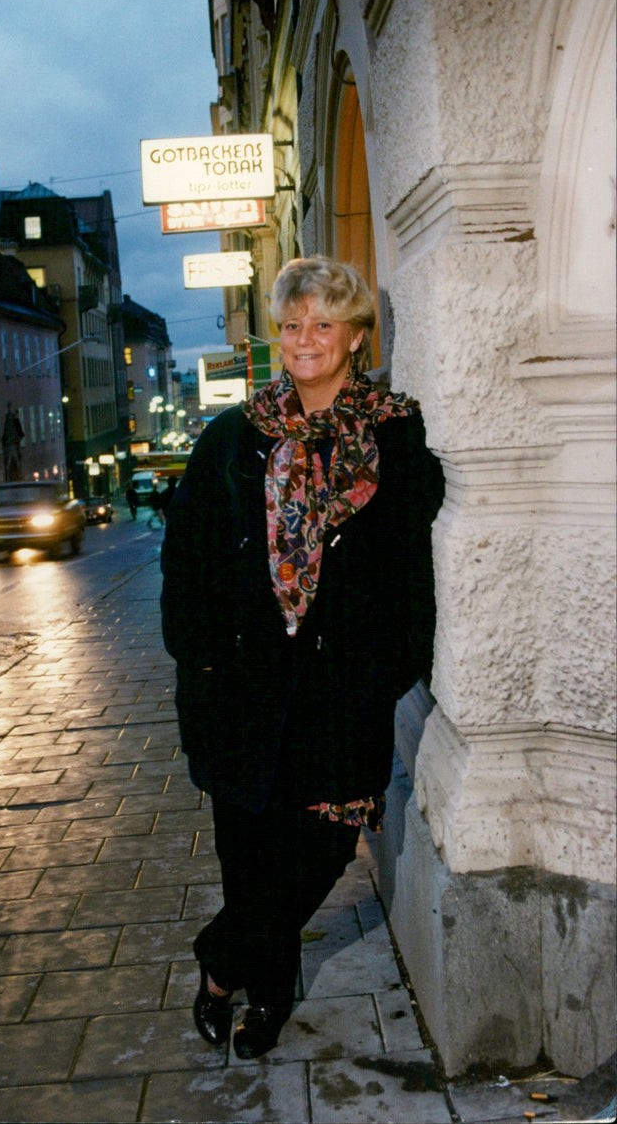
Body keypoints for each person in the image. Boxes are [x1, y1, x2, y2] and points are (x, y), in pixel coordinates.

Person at [161, 256, 444, 1060]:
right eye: (291, 326)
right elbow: (187, 558)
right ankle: (270, 999)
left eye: (324, 323)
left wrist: (389, 668)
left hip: (341, 694)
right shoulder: (233, 438)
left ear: (357, 335)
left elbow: (411, 568)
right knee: (251, 858)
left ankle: (222, 966)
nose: (305, 339)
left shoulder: (398, 436)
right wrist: (201, 657)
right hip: (241, 691)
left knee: (318, 849)